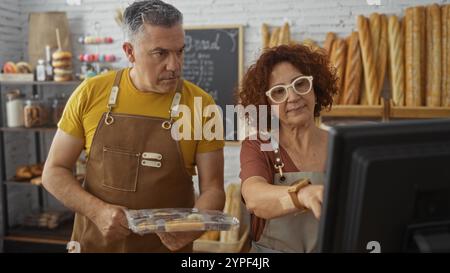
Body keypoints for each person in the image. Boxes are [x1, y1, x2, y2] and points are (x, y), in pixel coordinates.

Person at [42, 0, 225, 253]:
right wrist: (97, 211)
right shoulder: (90, 92)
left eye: (180, 51)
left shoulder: (201, 105)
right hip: (94, 245)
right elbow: (53, 171)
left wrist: (193, 226)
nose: (174, 65)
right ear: (129, 52)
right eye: (160, 53)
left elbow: (214, 190)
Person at [237, 44, 338, 253]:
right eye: (279, 92)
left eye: (300, 84)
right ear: (267, 103)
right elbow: (254, 198)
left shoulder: (340, 145)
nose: (292, 97)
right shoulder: (258, 145)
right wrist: (301, 195)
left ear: (316, 89)